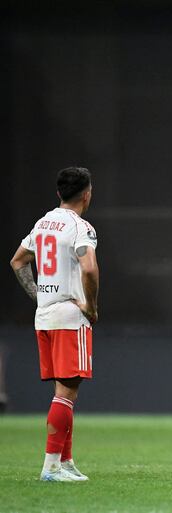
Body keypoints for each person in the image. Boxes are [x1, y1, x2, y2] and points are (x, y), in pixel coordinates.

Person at [9, 167, 98, 482]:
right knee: (67, 390)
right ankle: (50, 467)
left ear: (59, 193)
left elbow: (18, 260)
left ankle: (65, 461)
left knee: (66, 391)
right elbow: (89, 268)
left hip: (44, 316)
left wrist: (38, 296)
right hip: (70, 317)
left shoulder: (42, 223)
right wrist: (92, 307)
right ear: (86, 194)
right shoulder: (80, 227)